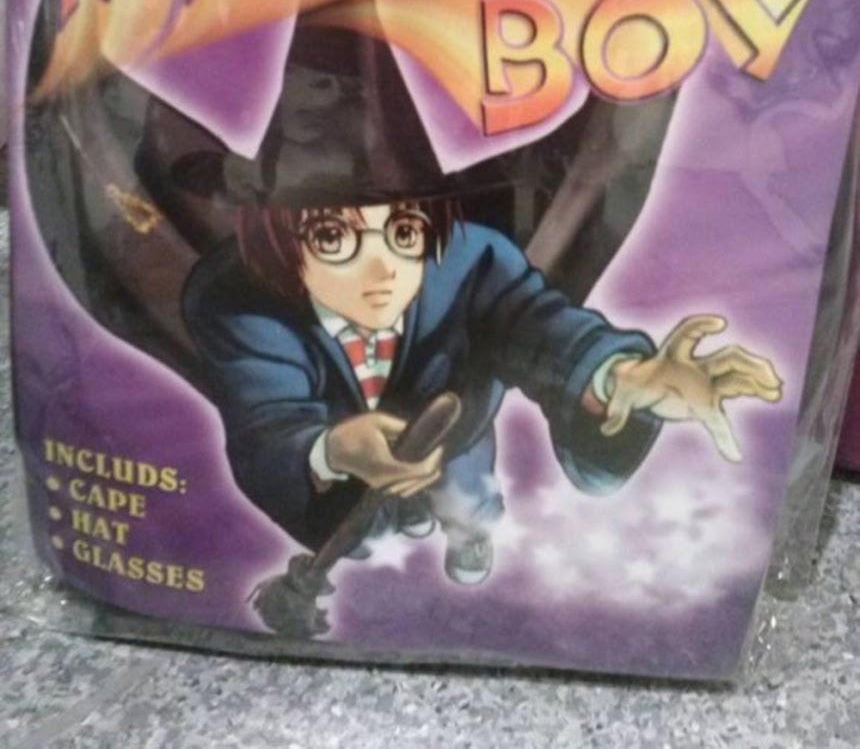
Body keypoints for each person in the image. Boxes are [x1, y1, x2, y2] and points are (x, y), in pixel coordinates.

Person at [182, 193, 782, 586]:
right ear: (278, 241)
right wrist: (333, 450)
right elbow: (267, 421)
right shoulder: (240, 304)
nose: (383, 269)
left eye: (404, 232)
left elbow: (533, 322)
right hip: (345, 467)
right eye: (335, 239)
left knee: (468, 499)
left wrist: (620, 376)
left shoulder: (470, 258)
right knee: (371, 527)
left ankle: (467, 538)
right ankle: (399, 515)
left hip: (457, 430)